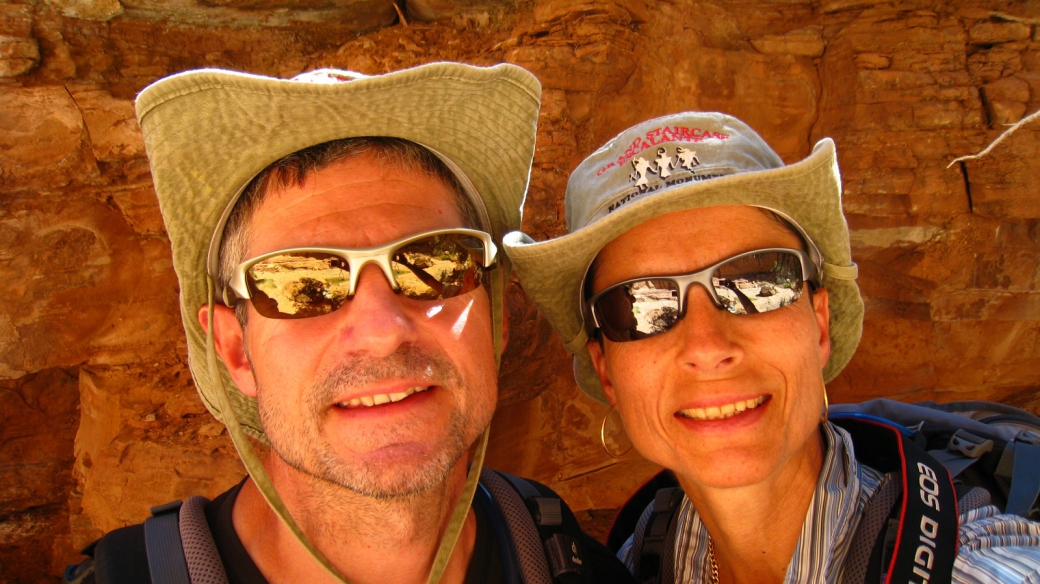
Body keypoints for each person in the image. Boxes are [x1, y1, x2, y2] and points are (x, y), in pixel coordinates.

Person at [65, 63, 634, 584]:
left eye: (434, 264)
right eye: (303, 283)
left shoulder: (570, 562)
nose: (383, 328)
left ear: (495, 318)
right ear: (236, 351)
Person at [503, 111, 1040, 583]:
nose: (708, 345)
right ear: (608, 371)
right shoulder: (642, 557)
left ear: (820, 323)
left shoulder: (979, 567)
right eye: (643, 307)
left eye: (757, 283)